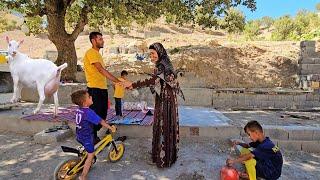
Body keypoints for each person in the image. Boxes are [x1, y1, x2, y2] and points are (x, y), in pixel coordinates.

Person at [128, 42, 183, 168]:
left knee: (163, 126)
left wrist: (133, 85)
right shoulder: (164, 64)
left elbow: (153, 81)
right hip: (164, 99)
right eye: (150, 54)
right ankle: (166, 156)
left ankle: (163, 159)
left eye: (153, 53)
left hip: (166, 101)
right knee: (164, 126)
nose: (151, 56)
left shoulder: (162, 66)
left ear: (159, 52)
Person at [83, 32, 130, 143]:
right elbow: (100, 70)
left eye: (102, 39)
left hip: (101, 89)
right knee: (96, 113)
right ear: (93, 41)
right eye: (100, 39)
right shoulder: (91, 53)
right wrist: (118, 81)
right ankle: (91, 137)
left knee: (102, 113)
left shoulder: (98, 54)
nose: (102, 41)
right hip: (95, 89)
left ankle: (94, 135)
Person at [71, 90, 116, 180]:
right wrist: (110, 128)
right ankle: (83, 176)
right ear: (84, 103)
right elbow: (101, 121)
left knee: (89, 146)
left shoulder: (79, 110)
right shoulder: (89, 112)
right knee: (91, 155)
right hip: (86, 137)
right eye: (89, 97)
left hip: (79, 134)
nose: (91, 97)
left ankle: (84, 155)